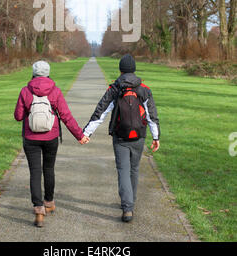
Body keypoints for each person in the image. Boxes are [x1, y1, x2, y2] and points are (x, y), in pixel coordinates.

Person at [83, 53, 160, 223]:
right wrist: (156, 137)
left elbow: (100, 111)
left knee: (123, 170)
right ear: (133, 69)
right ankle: (130, 202)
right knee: (134, 169)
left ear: (120, 69)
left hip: (120, 137)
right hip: (139, 137)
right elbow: (151, 115)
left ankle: (127, 208)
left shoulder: (115, 88)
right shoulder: (144, 89)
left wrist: (86, 133)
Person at [14, 60, 89, 228]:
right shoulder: (55, 91)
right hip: (51, 137)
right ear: (48, 73)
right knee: (48, 169)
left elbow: (18, 116)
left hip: (31, 138)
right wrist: (80, 135)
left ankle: (38, 208)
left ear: (33, 73)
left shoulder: (25, 91)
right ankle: (49, 202)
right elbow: (66, 116)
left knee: (35, 172)